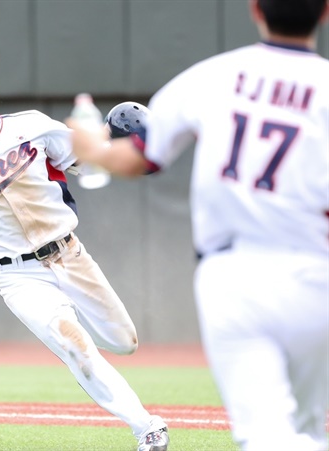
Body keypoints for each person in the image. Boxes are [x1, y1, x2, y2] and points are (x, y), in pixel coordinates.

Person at [66, 0, 329, 450]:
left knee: (266, 436)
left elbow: (137, 159)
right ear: (324, 12)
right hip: (316, 277)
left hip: (234, 277)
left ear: (255, 10)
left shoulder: (213, 76)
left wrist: (91, 147)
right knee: (305, 427)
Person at [0, 51, 169, 451]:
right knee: (76, 346)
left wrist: (129, 151)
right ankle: (147, 428)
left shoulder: (34, 127)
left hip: (70, 255)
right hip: (17, 275)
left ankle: (96, 348)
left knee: (124, 342)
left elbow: (87, 159)